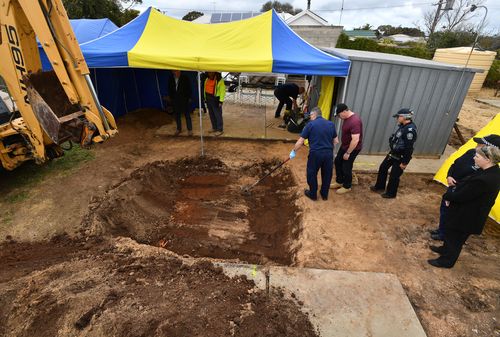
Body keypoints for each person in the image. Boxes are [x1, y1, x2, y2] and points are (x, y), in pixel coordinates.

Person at [428, 145, 500, 268]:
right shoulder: (492, 171)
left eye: (477, 156)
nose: (474, 158)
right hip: (468, 212)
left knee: (455, 239)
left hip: (468, 216)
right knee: (451, 233)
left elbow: (462, 196)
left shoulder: (484, 180)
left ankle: (446, 261)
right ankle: (445, 249)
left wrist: (448, 195)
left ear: (487, 159)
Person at [430, 134, 500, 241]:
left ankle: (445, 235)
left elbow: (471, 183)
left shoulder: (486, 167)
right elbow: (455, 164)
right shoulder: (471, 152)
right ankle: (441, 229)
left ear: (489, 150)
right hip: (452, 187)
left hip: (460, 192)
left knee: (452, 214)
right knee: (444, 210)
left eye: (481, 144)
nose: (477, 145)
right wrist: (449, 176)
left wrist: (457, 186)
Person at [289, 107, 339, 201]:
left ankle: (313, 194)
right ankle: (324, 194)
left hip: (315, 154)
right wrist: (327, 147)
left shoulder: (310, 125)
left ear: (313, 115)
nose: (310, 117)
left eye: (310, 115)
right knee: (327, 174)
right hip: (328, 154)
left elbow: (300, 142)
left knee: (311, 173)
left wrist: (294, 151)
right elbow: (336, 141)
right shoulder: (331, 124)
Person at [370, 108, 417, 198]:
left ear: (405, 117)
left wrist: (405, 162)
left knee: (394, 175)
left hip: (401, 156)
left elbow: (409, 148)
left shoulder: (409, 131)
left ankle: (391, 193)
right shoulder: (403, 126)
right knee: (383, 167)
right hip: (393, 153)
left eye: (398, 116)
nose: (397, 118)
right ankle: (379, 187)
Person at [331, 104, 363, 194]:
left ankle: (347, 186)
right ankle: (339, 181)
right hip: (345, 146)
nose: (338, 117)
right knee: (337, 161)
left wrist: (348, 153)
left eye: (338, 115)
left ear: (344, 111)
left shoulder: (355, 121)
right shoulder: (346, 118)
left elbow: (355, 139)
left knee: (346, 166)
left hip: (353, 148)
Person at [167, 70, 193, 136]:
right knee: (177, 115)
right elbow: (169, 88)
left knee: (187, 115)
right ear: (172, 72)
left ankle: (190, 130)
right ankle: (179, 129)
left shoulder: (185, 78)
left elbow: (189, 88)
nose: (176, 72)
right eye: (174, 71)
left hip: (184, 99)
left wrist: (189, 97)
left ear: (180, 71)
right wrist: (171, 97)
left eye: (177, 71)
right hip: (175, 100)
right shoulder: (171, 78)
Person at [204, 72, 226, 136]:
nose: (210, 73)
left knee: (218, 115)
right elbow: (205, 88)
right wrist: (205, 98)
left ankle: (220, 129)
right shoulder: (206, 79)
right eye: (209, 72)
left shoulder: (219, 80)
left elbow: (222, 91)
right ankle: (214, 128)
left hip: (216, 99)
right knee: (211, 114)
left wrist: (221, 101)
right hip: (208, 98)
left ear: (214, 72)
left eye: (211, 72)